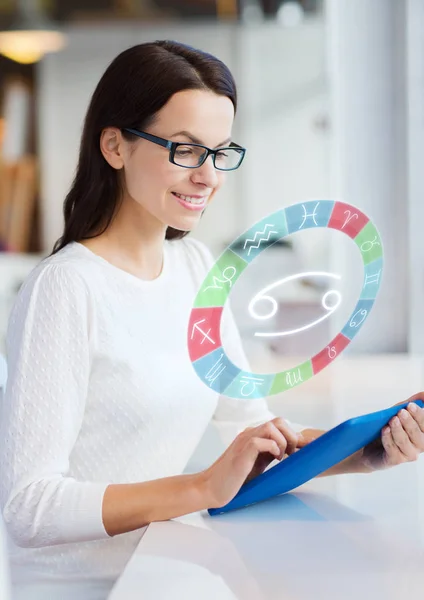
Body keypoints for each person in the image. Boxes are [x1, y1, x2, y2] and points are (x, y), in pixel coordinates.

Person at [0, 40, 423, 597]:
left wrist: (361, 455)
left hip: (164, 570)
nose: (208, 176)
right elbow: (29, 507)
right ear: (114, 146)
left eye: (221, 152)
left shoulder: (197, 267)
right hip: (88, 589)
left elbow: (249, 431)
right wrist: (200, 486)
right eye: (185, 150)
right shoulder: (66, 287)